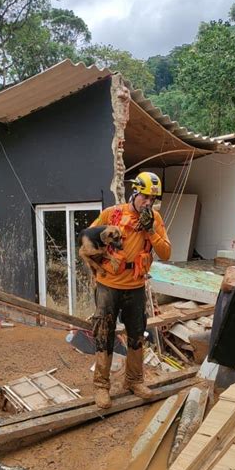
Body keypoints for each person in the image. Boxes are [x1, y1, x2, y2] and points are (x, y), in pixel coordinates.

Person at [89, 172, 171, 409]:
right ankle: (101, 386)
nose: (148, 202)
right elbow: (88, 238)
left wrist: (150, 231)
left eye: (153, 199)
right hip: (108, 285)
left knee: (137, 334)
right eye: (145, 197)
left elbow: (166, 253)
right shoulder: (112, 213)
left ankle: (134, 380)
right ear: (135, 192)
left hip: (135, 286)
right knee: (104, 333)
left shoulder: (154, 219)